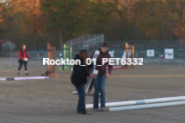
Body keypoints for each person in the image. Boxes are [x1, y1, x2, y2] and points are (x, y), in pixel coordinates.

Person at [91, 42, 113, 111]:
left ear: (107, 49)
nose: (104, 50)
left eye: (105, 49)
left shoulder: (108, 55)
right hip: (95, 73)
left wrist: (109, 73)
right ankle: (95, 107)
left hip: (103, 74)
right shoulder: (96, 52)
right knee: (96, 89)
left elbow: (110, 65)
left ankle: (103, 106)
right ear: (101, 47)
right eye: (103, 48)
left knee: (102, 89)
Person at [71, 50, 93, 115]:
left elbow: (89, 65)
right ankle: (82, 110)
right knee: (82, 95)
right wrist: (88, 75)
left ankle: (79, 109)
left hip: (78, 80)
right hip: (77, 80)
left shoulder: (80, 60)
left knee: (81, 95)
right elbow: (79, 73)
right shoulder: (78, 62)